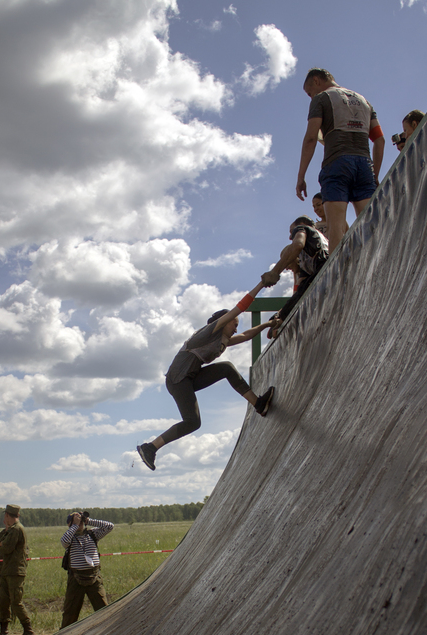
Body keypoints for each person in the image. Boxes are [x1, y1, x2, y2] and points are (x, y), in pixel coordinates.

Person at [136, 283, 275, 471]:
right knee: (192, 422)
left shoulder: (222, 339)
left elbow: (245, 335)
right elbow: (240, 307)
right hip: (178, 379)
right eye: (234, 324)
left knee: (226, 368)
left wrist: (268, 324)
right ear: (225, 321)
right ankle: (150, 447)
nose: (236, 329)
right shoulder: (210, 331)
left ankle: (258, 404)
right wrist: (261, 285)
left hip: (191, 377)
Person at [296, 68, 385, 252]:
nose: (311, 97)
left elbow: (311, 138)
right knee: (371, 227)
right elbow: (379, 140)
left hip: (336, 163)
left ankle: (338, 271)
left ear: (316, 80)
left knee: (336, 229)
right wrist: (374, 175)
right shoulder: (364, 101)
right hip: (364, 165)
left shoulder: (321, 98)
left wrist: (301, 176)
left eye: (309, 93)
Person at [261, 216, 329, 338]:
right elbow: (298, 291)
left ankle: (280, 321)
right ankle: (279, 320)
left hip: (324, 266)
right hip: (319, 273)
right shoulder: (307, 257)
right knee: (299, 295)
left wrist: (275, 272)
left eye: (291, 232)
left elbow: (297, 244)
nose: (290, 237)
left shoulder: (303, 228)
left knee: (292, 305)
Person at [60, 511, 114, 628]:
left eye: (81, 521)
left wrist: (88, 521)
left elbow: (109, 526)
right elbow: (64, 542)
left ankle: (108, 631)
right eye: (76, 521)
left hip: (94, 577)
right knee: (70, 612)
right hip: (75, 579)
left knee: (103, 609)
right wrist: (75, 525)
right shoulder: (70, 537)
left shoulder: (92, 534)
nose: (80, 523)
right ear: (70, 524)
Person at [0, 504, 35, 635]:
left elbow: (6, 547)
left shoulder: (16, 529)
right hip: (8, 570)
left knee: (16, 602)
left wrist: (0, 545)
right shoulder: (13, 529)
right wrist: (1, 544)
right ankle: (4, 632)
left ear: (7, 515)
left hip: (15, 571)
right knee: (3, 601)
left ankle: (29, 631)